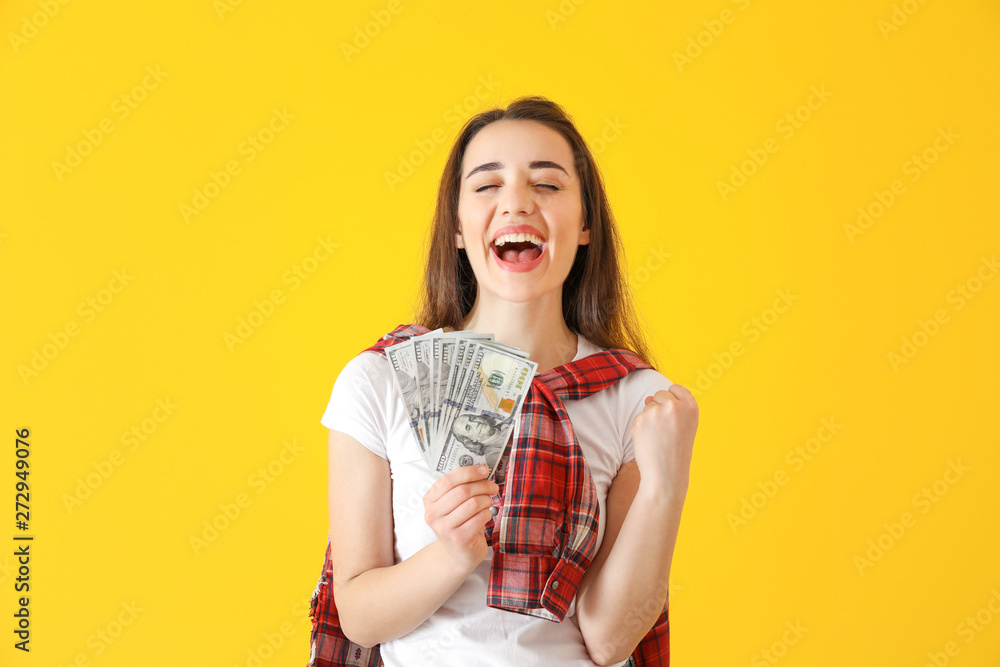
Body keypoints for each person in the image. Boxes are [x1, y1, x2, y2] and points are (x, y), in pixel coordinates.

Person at [314, 95, 698, 666]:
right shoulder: (379, 380)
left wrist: (665, 488)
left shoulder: (635, 398)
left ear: (586, 224)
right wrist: (450, 552)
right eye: (487, 185)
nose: (516, 202)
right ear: (459, 231)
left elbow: (610, 638)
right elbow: (362, 618)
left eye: (547, 184)